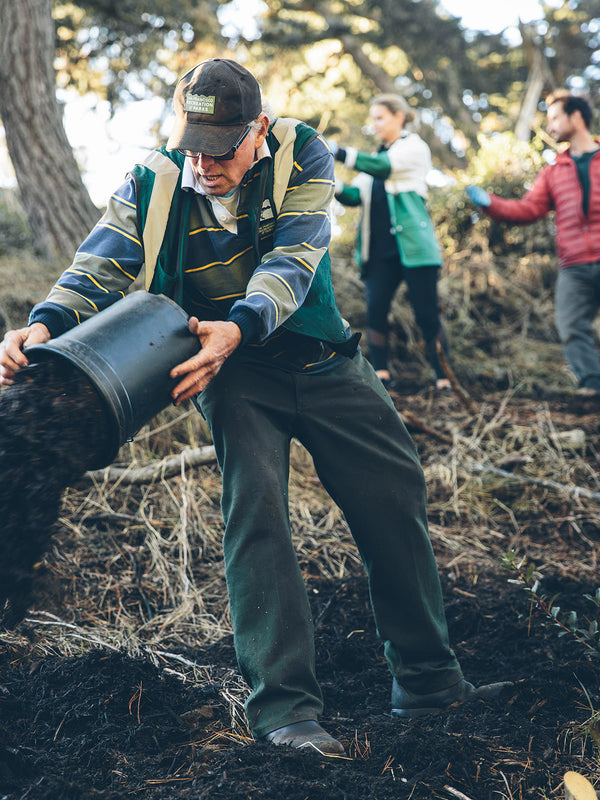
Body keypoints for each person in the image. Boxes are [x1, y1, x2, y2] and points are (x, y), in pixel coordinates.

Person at [0, 58, 508, 757]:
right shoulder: (154, 178)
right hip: (233, 374)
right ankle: (285, 711)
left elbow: (294, 259)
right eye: (194, 146)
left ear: (258, 129)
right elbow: (100, 264)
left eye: (221, 148)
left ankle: (429, 681)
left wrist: (240, 323)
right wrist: (44, 324)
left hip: (324, 359)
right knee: (257, 513)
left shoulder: (303, 152)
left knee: (394, 495)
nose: (204, 164)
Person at [467, 92, 600, 397]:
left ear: (576, 116)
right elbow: (528, 210)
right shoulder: (553, 172)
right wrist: (490, 203)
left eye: (554, 118)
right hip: (574, 265)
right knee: (571, 326)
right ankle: (592, 387)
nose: (549, 126)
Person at [333, 94, 451, 392]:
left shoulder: (413, 147)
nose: (374, 124)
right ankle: (381, 374)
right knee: (376, 311)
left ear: (399, 116)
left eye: (379, 118)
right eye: (372, 119)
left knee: (426, 313)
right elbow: (354, 196)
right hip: (378, 251)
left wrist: (336, 151)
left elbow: (382, 167)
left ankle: (444, 375)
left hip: (414, 248)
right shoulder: (377, 157)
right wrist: (326, 179)